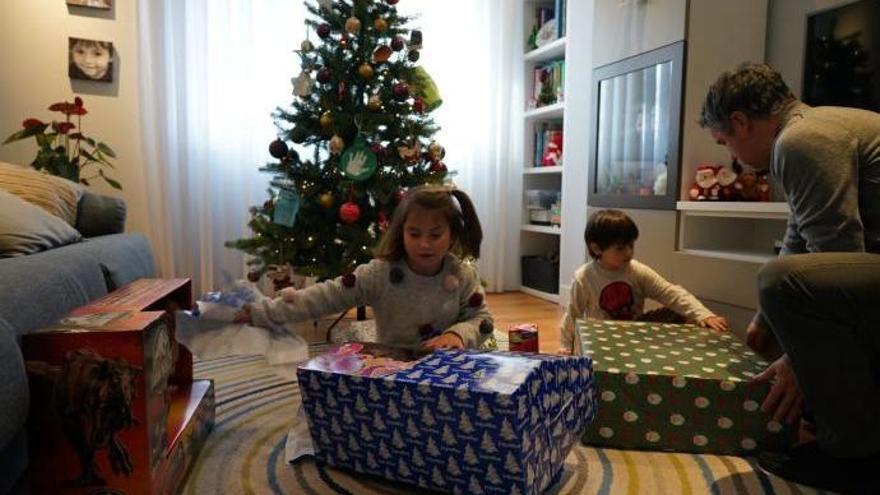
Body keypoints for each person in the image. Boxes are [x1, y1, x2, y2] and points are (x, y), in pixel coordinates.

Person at [700, 62, 880, 492]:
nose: (732, 157)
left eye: (725, 141)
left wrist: (795, 359)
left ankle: (854, 456)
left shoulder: (800, 141)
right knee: (781, 290)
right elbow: (800, 233)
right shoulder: (817, 125)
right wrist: (764, 321)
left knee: (780, 281)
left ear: (741, 122)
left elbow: (834, 257)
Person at [238, 185, 495, 351]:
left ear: (452, 234)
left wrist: (457, 336)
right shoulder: (380, 273)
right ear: (401, 232)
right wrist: (260, 312)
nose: (424, 244)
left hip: (447, 369)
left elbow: (481, 319)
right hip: (391, 368)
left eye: (435, 234)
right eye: (414, 234)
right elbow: (327, 295)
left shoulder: (462, 275)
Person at [559, 209, 728, 354]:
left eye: (631, 246)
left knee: (680, 312)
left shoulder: (636, 270)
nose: (628, 253)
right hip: (601, 339)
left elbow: (670, 293)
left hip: (635, 331)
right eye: (620, 248)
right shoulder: (584, 277)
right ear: (596, 248)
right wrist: (566, 347)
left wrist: (704, 314)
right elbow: (573, 315)